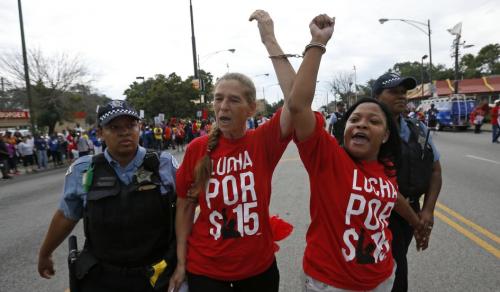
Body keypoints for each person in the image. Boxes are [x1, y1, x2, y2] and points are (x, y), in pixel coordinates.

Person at [286, 14, 424, 291]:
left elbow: (390, 196)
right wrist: (317, 43)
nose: (362, 124)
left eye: (373, 121)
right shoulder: (327, 158)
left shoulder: (386, 166)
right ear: (345, 127)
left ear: (385, 135)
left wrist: (416, 222)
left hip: (382, 278)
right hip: (330, 283)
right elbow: (298, 105)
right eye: (355, 119)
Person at [168, 10, 296, 292]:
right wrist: (180, 262)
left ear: (251, 108)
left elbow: (296, 99)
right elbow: (186, 207)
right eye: (218, 98)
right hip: (206, 271)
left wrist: (270, 40)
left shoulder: (263, 141)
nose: (223, 106)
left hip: (258, 271)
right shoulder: (197, 149)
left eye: (234, 100)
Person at [37, 100, 178, 292]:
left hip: (157, 275)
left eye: (131, 125)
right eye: (114, 127)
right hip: (104, 276)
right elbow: (66, 215)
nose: (124, 132)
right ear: (100, 133)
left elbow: (186, 211)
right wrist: (45, 253)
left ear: (140, 127)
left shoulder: (165, 164)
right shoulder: (83, 169)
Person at [372, 72, 442, 292]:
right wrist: (417, 223)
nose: (401, 96)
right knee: (396, 269)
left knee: (397, 262)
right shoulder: (368, 131)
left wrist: (427, 212)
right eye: (393, 92)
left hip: (412, 209)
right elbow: (381, 184)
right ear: (376, 98)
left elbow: (435, 170)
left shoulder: (419, 129)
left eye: (404, 92)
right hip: (380, 214)